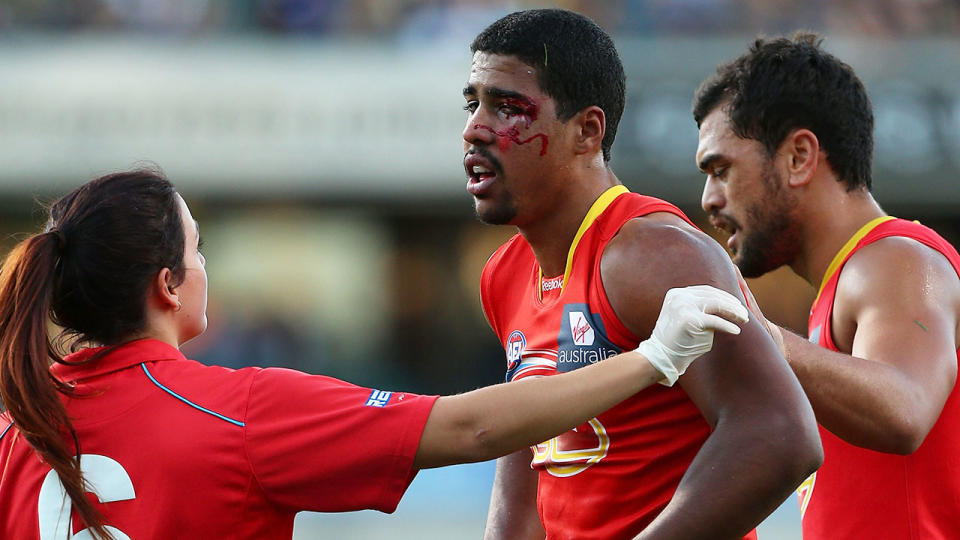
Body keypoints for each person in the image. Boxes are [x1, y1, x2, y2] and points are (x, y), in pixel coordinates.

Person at [0, 169, 748, 539]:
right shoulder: (239, 410)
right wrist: (653, 357)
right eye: (201, 249)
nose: (206, 266)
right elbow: (470, 427)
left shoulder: (14, 431)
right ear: (167, 286)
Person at [463, 9, 822, 540]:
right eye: (473, 103)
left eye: (508, 108)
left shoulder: (655, 253)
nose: (475, 129)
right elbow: (523, 451)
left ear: (587, 131)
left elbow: (782, 436)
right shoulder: (503, 274)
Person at [693, 33, 960, 539]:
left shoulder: (894, 259)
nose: (709, 199)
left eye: (722, 169)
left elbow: (903, 412)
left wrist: (755, 333)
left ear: (799, 156)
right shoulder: (845, 288)